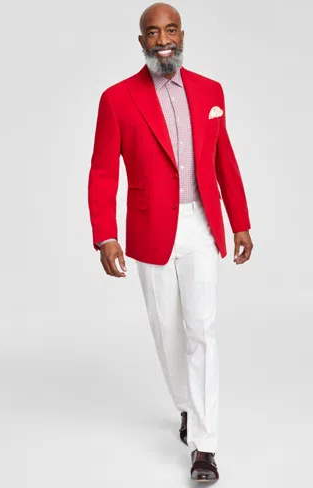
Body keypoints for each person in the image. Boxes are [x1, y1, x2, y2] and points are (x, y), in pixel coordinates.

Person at [88, 2, 253, 481]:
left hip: (201, 221)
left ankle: (205, 445)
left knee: (202, 328)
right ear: (142, 41)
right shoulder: (117, 99)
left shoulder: (210, 91)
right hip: (150, 227)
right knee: (168, 331)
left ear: (182, 35)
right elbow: (102, 172)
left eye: (171, 30)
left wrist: (239, 221)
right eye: (154, 32)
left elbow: (224, 160)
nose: (164, 40)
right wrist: (105, 235)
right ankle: (186, 404)